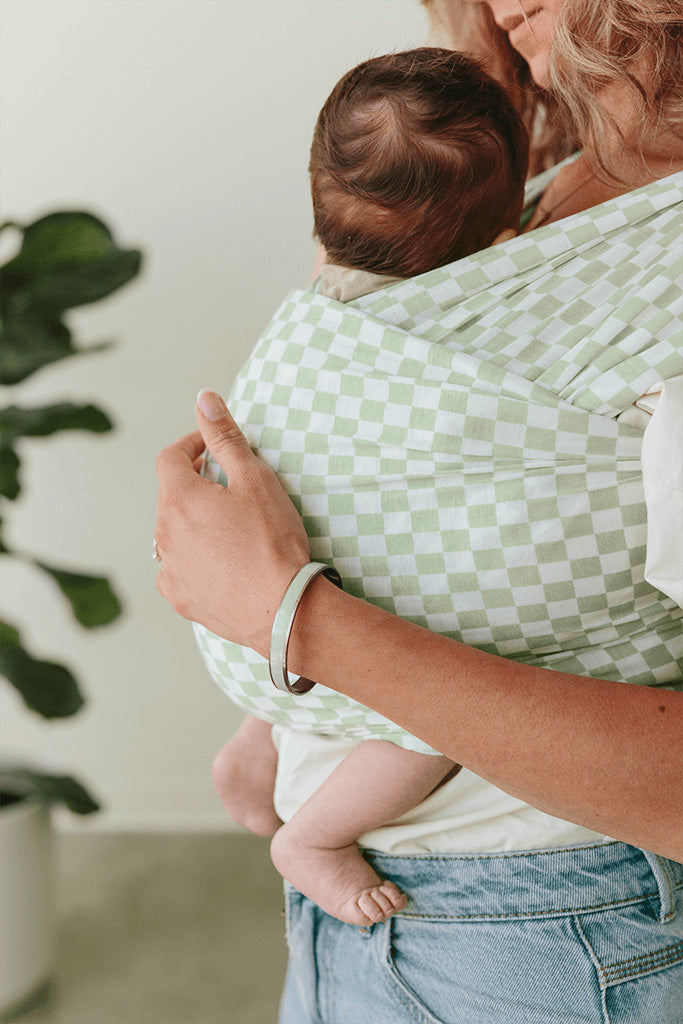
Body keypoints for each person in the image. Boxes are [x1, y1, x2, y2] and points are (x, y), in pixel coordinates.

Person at [154, 2, 683, 1021]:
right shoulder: (547, 186)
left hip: (548, 930)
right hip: (383, 906)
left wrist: (294, 618)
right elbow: (423, 493)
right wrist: (277, 716)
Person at [206, 47, 528, 929]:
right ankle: (312, 836)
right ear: (501, 247)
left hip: (277, 609)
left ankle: (253, 734)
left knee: (314, 629)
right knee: (447, 717)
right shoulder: (469, 336)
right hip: (368, 611)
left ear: (320, 216)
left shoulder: (304, 319)